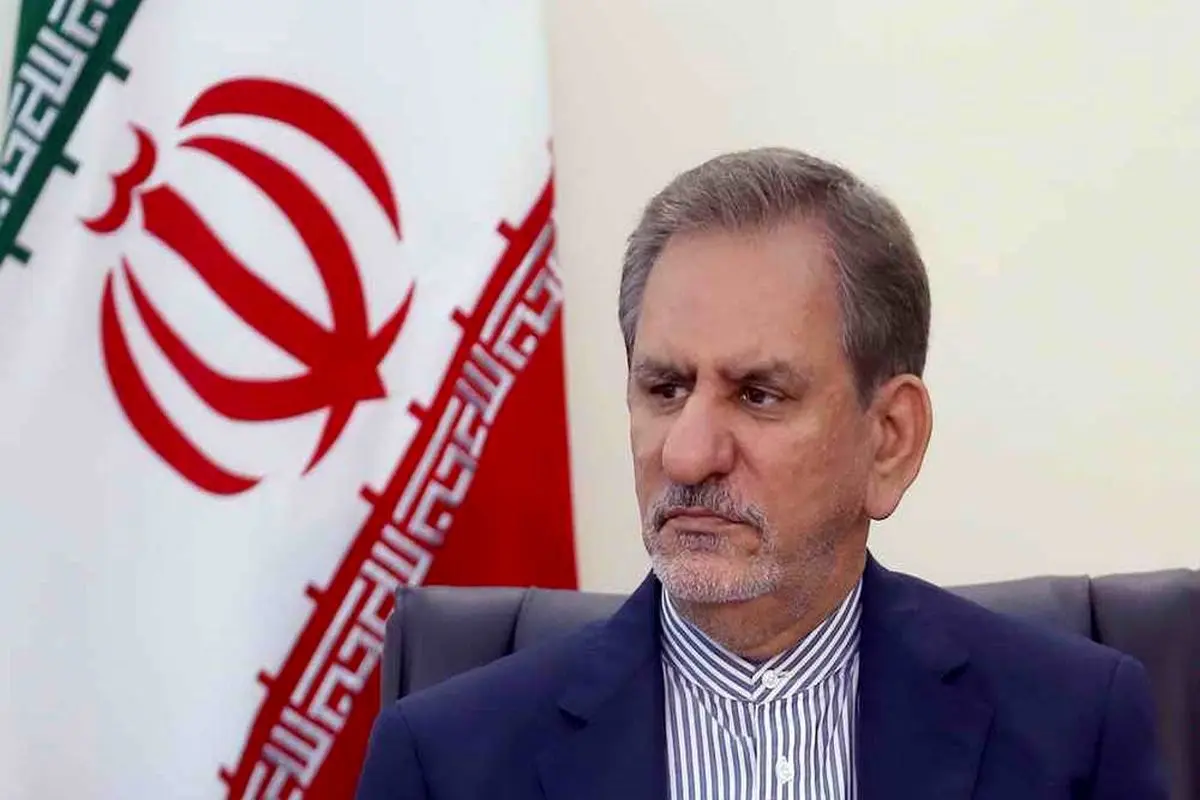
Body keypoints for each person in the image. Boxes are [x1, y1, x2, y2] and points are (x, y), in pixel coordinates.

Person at [354, 148, 1168, 799]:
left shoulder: (1074, 731)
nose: (687, 455)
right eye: (664, 389)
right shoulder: (446, 763)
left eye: (758, 394)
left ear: (889, 439)